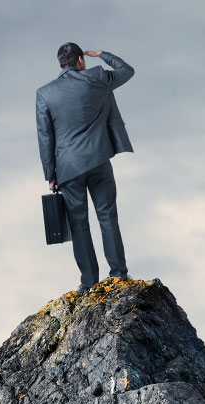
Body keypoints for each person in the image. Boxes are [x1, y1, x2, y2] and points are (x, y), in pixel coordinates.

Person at [35, 43, 135, 292]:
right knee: (108, 217)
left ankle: (89, 282)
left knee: (79, 225)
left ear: (62, 63)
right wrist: (102, 55)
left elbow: (45, 136)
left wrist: (50, 173)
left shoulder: (45, 93)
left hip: (68, 168)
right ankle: (119, 275)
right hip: (99, 159)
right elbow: (127, 70)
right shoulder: (97, 77)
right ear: (80, 59)